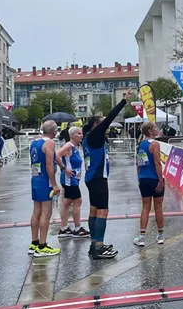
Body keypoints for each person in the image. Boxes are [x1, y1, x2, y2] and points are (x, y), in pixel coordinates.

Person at [83, 94, 129, 259]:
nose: (106, 127)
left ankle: (94, 244)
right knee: (103, 211)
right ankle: (99, 247)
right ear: (96, 125)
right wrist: (123, 101)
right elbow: (110, 117)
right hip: (98, 178)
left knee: (94, 210)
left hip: (91, 178)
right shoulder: (94, 136)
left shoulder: (88, 136)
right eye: (102, 124)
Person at [29, 120, 61, 257]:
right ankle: (42, 245)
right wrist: (54, 184)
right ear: (54, 131)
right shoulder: (50, 143)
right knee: (46, 213)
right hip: (45, 181)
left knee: (36, 211)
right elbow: (49, 165)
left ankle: (34, 242)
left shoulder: (34, 142)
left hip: (35, 178)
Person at [133, 121, 165, 246]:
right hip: (154, 178)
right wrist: (160, 179)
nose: (157, 129)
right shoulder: (155, 144)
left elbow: (138, 163)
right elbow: (157, 163)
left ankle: (142, 237)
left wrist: (139, 177)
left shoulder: (141, 144)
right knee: (158, 207)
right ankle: (161, 235)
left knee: (145, 207)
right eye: (155, 127)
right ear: (150, 131)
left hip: (144, 178)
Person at [56, 126, 89, 238]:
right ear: (73, 135)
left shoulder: (75, 147)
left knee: (67, 203)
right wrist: (64, 168)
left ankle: (63, 228)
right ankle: (77, 229)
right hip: (69, 179)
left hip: (74, 179)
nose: (81, 135)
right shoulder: (69, 145)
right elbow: (57, 155)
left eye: (81, 133)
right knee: (78, 201)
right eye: (79, 133)